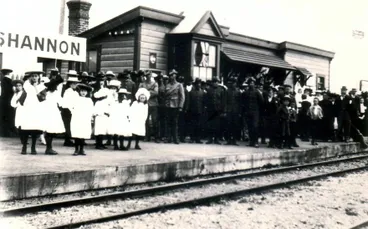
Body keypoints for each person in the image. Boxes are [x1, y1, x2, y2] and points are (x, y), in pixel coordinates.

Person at [18, 71, 45, 154]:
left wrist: (36, 87)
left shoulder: (41, 86)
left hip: (37, 109)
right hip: (28, 109)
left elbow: (42, 98)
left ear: (39, 77)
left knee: (35, 129)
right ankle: (24, 147)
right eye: (32, 76)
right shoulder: (26, 86)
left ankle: (33, 147)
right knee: (26, 128)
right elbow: (22, 98)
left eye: (36, 76)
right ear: (30, 77)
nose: (34, 78)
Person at [41, 69, 65, 155]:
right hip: (50, 112)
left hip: (51, 111)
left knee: (50, 131)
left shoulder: (51, 92)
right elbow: (60, 102)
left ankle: (49, 147)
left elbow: (60, 101)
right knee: (49, 130)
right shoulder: (51, 93)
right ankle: (48, 148)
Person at [70, 83, 94, 156]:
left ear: (87, 92)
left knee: (83, 134)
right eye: (82, 91)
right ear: (79, 92)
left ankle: (82, 149)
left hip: (85, 118)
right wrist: (74, 113)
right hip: (77, 118)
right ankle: (76, 149)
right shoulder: (76, 99)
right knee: (77, 134)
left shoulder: (89, 100)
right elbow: (72, 107)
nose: (83, 93)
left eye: (85, 91)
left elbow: (91, 110)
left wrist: (90, 117)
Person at [164, 69, 185, 144]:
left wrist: (180, 106)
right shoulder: (168, 85)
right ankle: (168, 138)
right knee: (168, 122)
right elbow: (165, 95)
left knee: (175, 123)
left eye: (173, 75)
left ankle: (176, 138)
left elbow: (182, 97)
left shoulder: (179, 85)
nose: (172, 76)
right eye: (170, 75)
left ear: (175, 75)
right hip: (168, 105)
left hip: (175, 106)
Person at [60, 70, 80, 147]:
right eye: (73, 83)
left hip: (72, 109)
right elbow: (67, 102)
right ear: (70, 84)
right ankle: (67, 140)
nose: (75, 85)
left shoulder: (75, 92)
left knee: (71, 125)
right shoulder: (68, 91)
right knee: (67, 125)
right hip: (67, 110)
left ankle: (69, 139)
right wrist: (71, 110)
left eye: (76, 83)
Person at [242, 77, 264, 148]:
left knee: (255, 127)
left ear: (254, 84)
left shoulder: (257, 92)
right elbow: (243, 103)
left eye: (253, 83)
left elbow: (262, 102)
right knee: (249, 127)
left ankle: (256, 142)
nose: (251, 84)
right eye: (250, 83)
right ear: (248, 84)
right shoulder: (245, 92)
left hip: (255, 112)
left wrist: (259, 111)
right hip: (247, 112)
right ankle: (251, 142)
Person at [139, 70, 159, 142]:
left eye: (149, 75)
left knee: (155, 120)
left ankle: (157, 137)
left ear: (151, 76)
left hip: (153, 104)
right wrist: (150, 91)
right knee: (146, 120)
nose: (148, 77)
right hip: (145, 104)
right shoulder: (142, 84)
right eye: (146, 75)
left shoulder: (155, 83)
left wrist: (146, 92)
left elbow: (156, 92)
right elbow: (140, 93)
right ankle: (147, 136)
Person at [205, 77, 226, 145]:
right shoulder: (209, 90)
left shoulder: (221, 90)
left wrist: (223, 111)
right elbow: (207, 100)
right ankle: (210, 139)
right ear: (212, 83)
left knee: (217, 125)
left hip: (218, 110)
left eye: (217, 82)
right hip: (210, 110)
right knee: (210, 125)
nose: (216, 83)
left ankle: (216, 139)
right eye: (214, 82)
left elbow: (223, 101)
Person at [93, 76, 111, 149]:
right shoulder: (98, 102)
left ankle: (101, 143)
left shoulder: (105, 101)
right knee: (99, 131)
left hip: (104, 117)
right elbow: (97, 111)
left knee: (103, 130)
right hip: (100, 117)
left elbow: (108, 107)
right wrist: (102, 113)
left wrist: (107, 113)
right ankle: (98, 144)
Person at [186, 78, 205, 144]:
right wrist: (188, 110)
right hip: (192, 111)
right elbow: (188, 102)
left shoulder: (202, 92)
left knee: (199, 125)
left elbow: (204, 102)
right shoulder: (191, 92)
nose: (198, 85)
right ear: (195, 84)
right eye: (197, 83)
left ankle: (198, 138)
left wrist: (203, 110)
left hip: (200, 111)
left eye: (199, 83)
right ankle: (192, 138)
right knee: (192, 125)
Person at [225, 77, 241, 146]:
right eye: (232, 83)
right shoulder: (227, 91)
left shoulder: (238, 91)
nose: (233, 84)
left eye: (234, 83)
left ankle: (234, 140)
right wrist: (225, 111)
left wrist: (239, 112)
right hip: (229, 110)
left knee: (235, 125)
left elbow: (240, 103)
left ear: (236, 84)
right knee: (228, 125)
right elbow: (225, 102)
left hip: (236, 111)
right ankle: (228, 140)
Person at [0, 68, 15, 137]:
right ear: (9, 73)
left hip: (3, 100)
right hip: (9, 100)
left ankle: (4, 132)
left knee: (4, 116)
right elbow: (11, 91)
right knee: (10, 115)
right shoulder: (10, 81)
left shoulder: (3, 80)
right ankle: (9, 132)